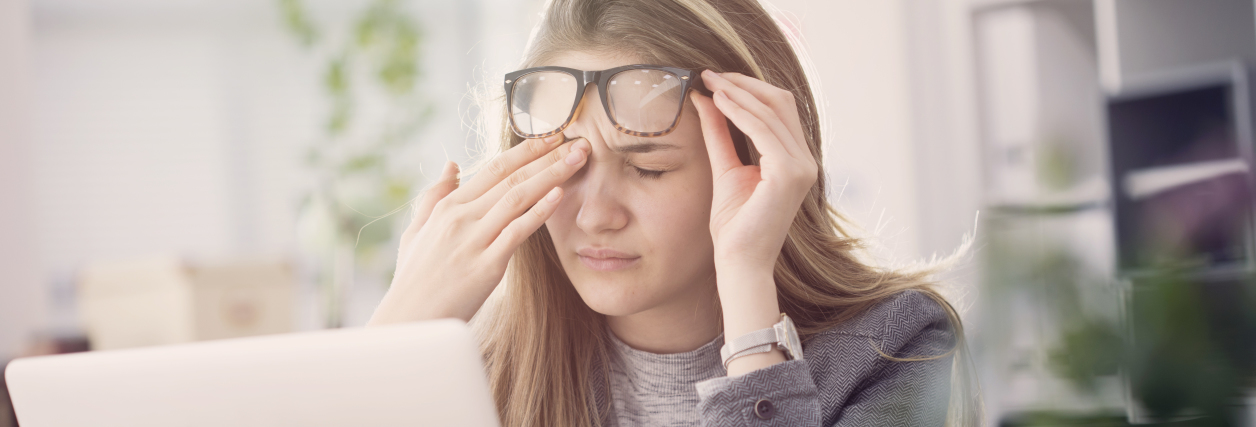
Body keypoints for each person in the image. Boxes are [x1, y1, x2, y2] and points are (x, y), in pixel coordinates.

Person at [368, 0, 982, 425]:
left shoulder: (895, 347)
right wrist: (396, 335)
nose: (596, 215)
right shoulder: (478, 365)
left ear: (755, 161)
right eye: (568, 166)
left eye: (648, 167)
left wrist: (747, 289)